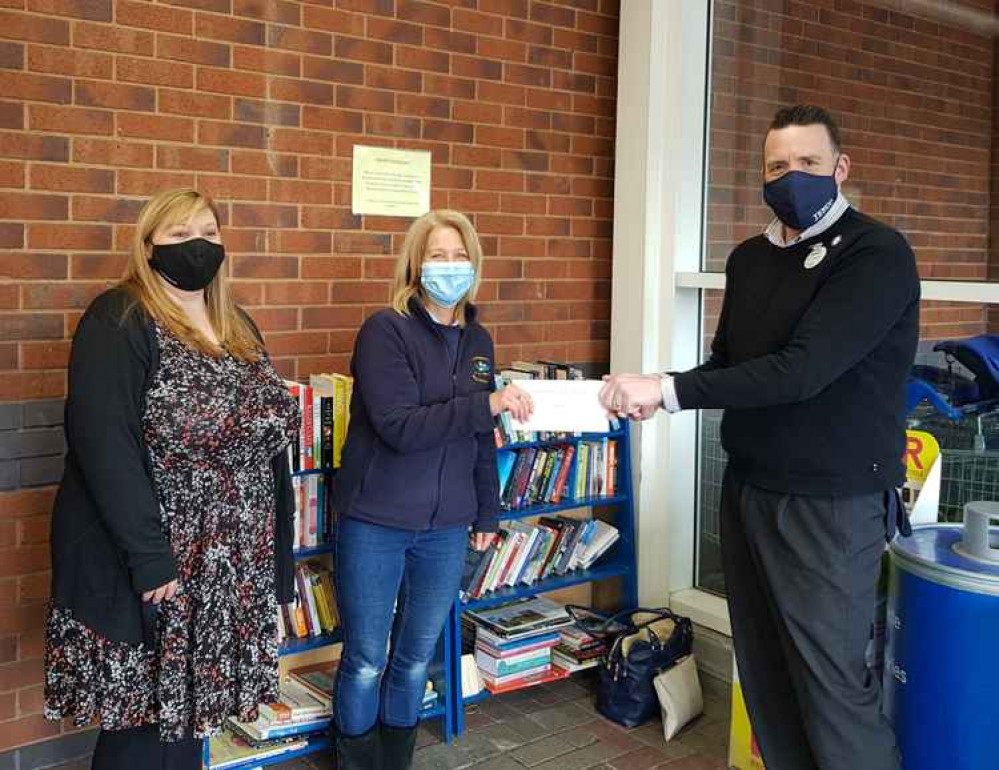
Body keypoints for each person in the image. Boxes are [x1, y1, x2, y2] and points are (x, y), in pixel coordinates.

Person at [600, 105, 919, 770]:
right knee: (767, 676)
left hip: (826, 504)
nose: (791, 176)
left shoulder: (874, 253)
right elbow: (728, 364)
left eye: (807, 162)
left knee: (830, 685)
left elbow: (803, 371)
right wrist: (660, 382)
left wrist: (667, 392)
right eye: (777, 165)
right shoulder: (749, 259)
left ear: (840, 167)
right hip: (748, 488)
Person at [44, 189, 300, 769]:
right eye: (180, 234)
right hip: (159, 566)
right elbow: (104, 445)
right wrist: (150, 559)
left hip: (231, 564)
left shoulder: (237, 324)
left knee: (189, 723)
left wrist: (275, 561)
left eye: (208, 231)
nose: (198, 245)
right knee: (145, 729)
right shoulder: (120, 318)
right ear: (149, 244)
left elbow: (268, 445)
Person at [331, 210, 532, 770]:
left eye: (459, 254)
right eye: (437, 255)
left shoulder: (479, 339)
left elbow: (481, 438)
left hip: (446, 529)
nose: (450, 266)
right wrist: (486, 404)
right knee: (369, 657)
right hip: (376, 522)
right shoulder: (384, 330)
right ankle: (355, 762)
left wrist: (487, 515)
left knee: (416, 656)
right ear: (415, 264)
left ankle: (394, 761)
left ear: (475, 264)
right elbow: (399, 427)